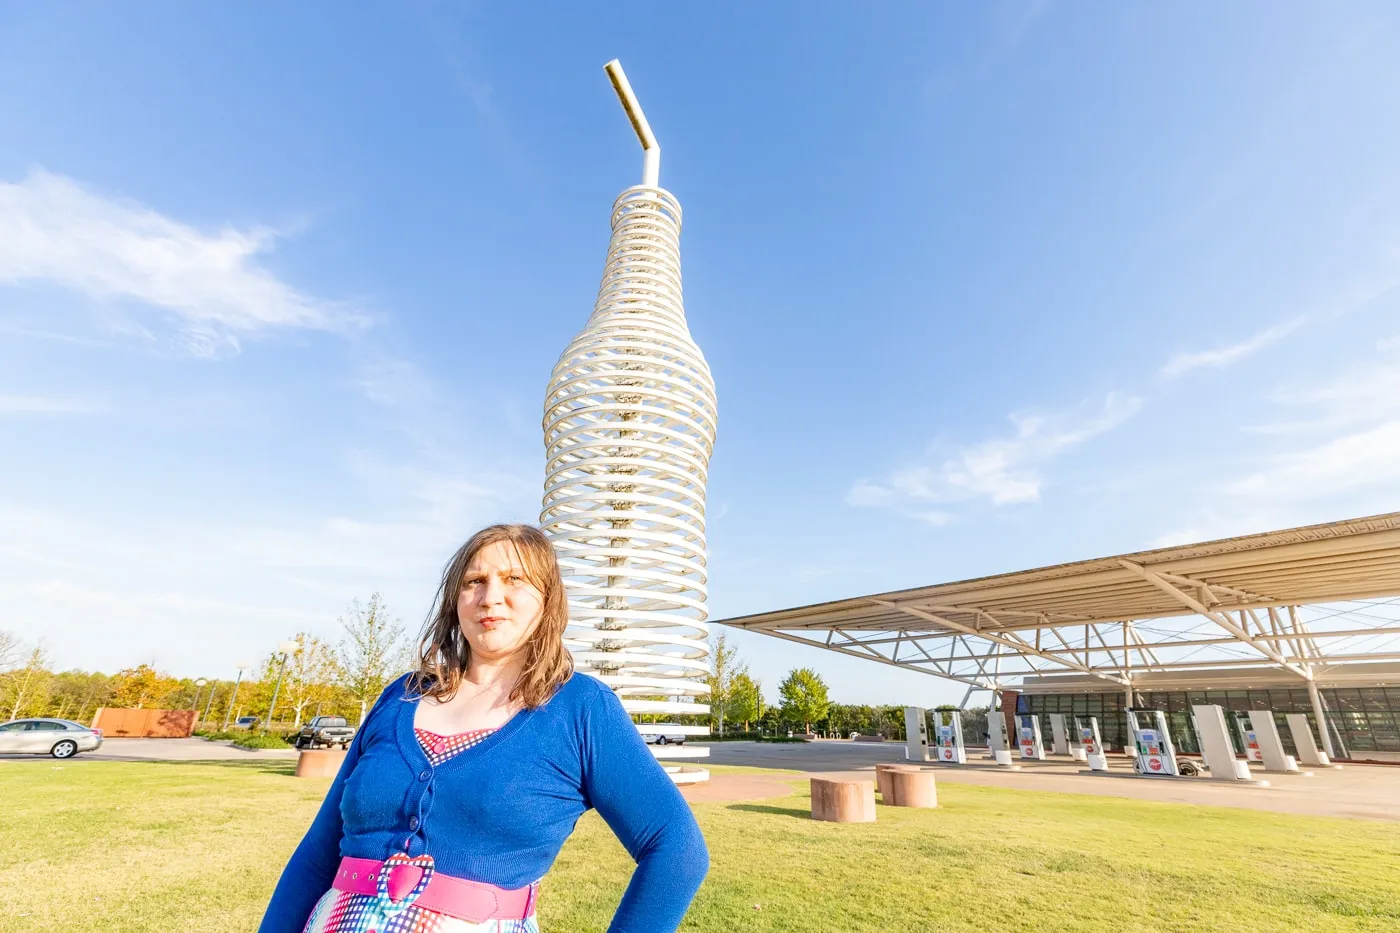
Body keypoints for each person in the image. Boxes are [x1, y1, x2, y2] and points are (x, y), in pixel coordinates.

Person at [259, 524, 709, 933]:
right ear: (456, 601)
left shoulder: (582, 710)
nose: (490, 596)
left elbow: (677, 850)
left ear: (548, 598)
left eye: (515, 579)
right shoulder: (401, 696)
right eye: (475, 581)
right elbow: (318, 853)